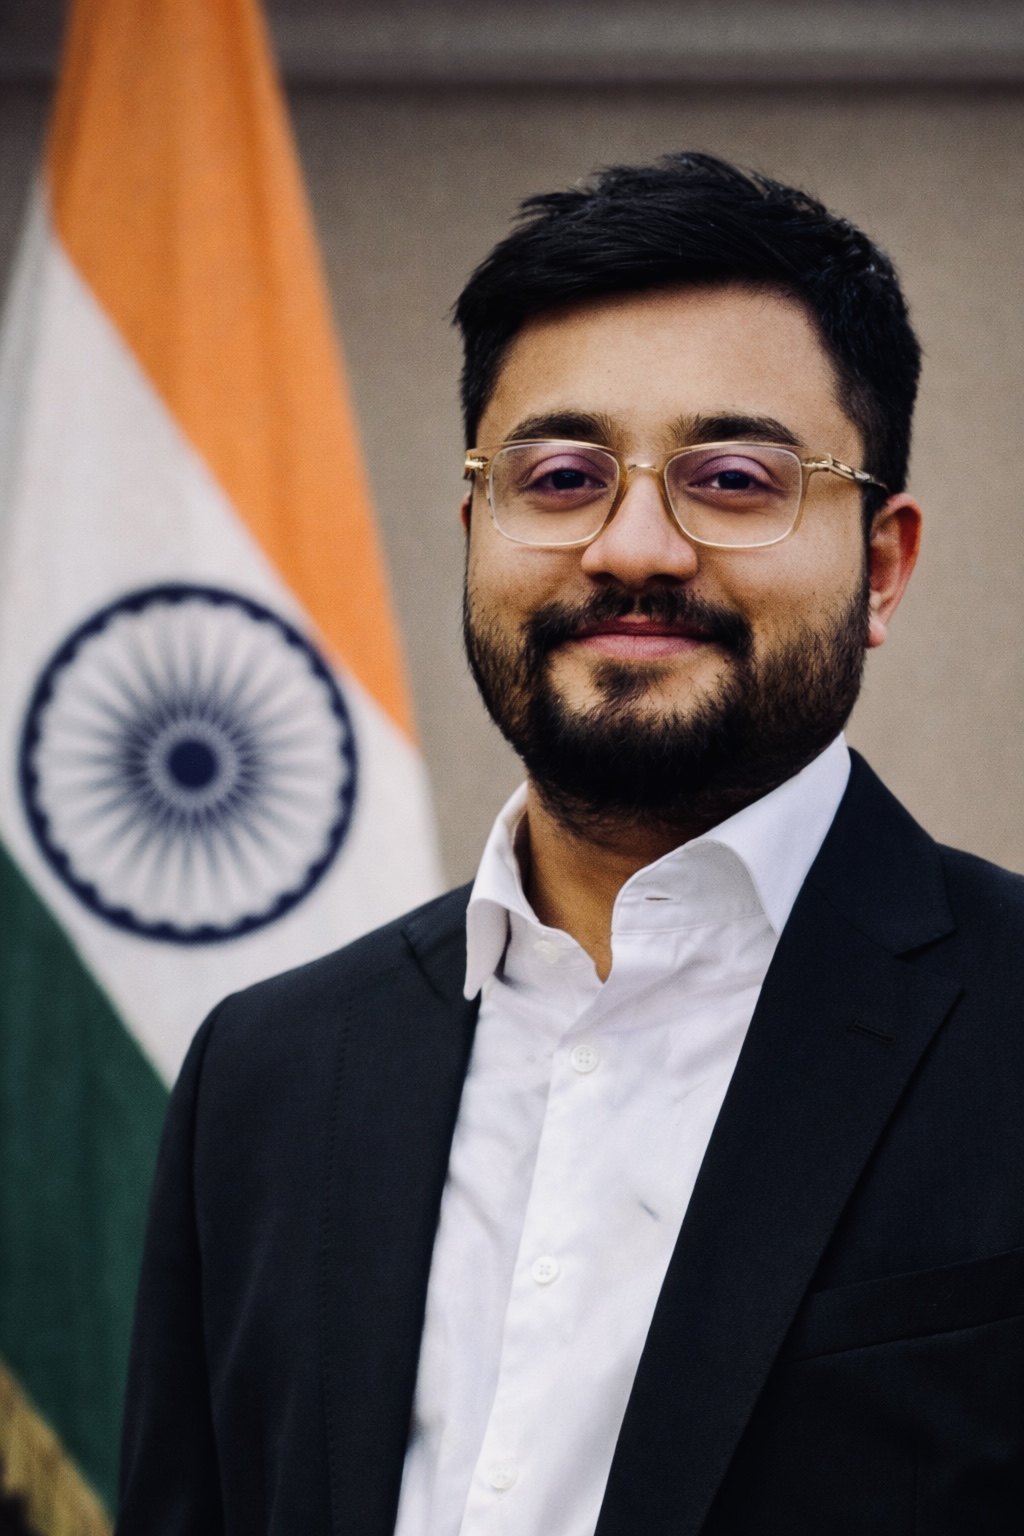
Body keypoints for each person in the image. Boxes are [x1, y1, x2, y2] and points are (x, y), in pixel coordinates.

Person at [116, 153, 1024, 1536]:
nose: (634, 548)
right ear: (476, 530)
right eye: (559, 476)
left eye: (733, 477)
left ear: (881, 567)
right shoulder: (268, 1074)